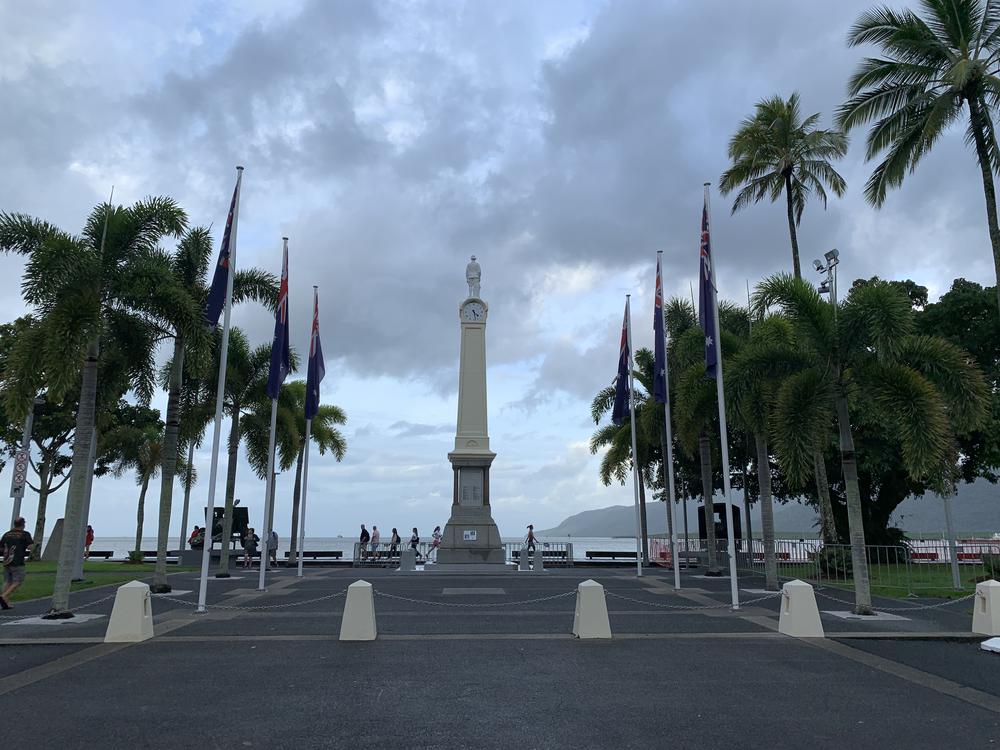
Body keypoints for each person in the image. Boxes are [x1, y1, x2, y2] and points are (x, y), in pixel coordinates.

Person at [1, 518, 34, 609]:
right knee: (18, 581)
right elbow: (30, 547)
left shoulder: (6, 534)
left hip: (7, 561)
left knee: (7, 581)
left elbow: (1, 548)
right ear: (23, 524)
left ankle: (6, 602)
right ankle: (4, 596)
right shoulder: (25, 534)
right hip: (18, 561)